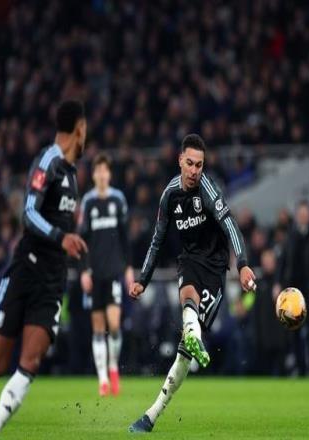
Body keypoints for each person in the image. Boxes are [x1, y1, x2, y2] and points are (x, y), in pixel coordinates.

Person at [0, 100, 88, 440]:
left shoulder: (73, 175)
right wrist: (61, 237)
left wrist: (73, 244)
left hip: (52, 281)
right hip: (26, 270)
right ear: (79, 128)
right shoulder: (49, 161)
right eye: (85, 129)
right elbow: (29, 213)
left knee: (30, 362)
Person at [128, 133, 256, 433]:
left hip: (215, 269)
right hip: (189, 261)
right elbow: (157, 240)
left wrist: (243, 264)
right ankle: (192, 335)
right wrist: (143, 279)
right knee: (187, 296)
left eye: (199, 165)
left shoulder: (209, 190)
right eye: (190, 163)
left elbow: (230, 225)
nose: (195, 170)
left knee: (183, 357)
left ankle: (152, 413)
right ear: (180, 161)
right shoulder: (169, 195)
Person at [79, 152, 134, 396]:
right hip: (95, 273)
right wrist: (83, 271)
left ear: (109, 174)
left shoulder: (118, 200)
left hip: (113, 272)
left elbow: (125, 238)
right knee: (98, 327)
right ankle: (102, 379)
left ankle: (113, 368)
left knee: (114, 324)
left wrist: (128, 267)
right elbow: (81, 241)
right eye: (98, 170)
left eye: (105, 170)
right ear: (93, 175)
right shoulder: (88, 202)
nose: (102, 175)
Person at [274, 201, 309, 376]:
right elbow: (283, 261)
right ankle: (301, 368)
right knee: (294, 329)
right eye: (301, 214)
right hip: (294, 287)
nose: (303, 217)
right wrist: (278, 282)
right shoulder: (291, 235)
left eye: (306, 214)